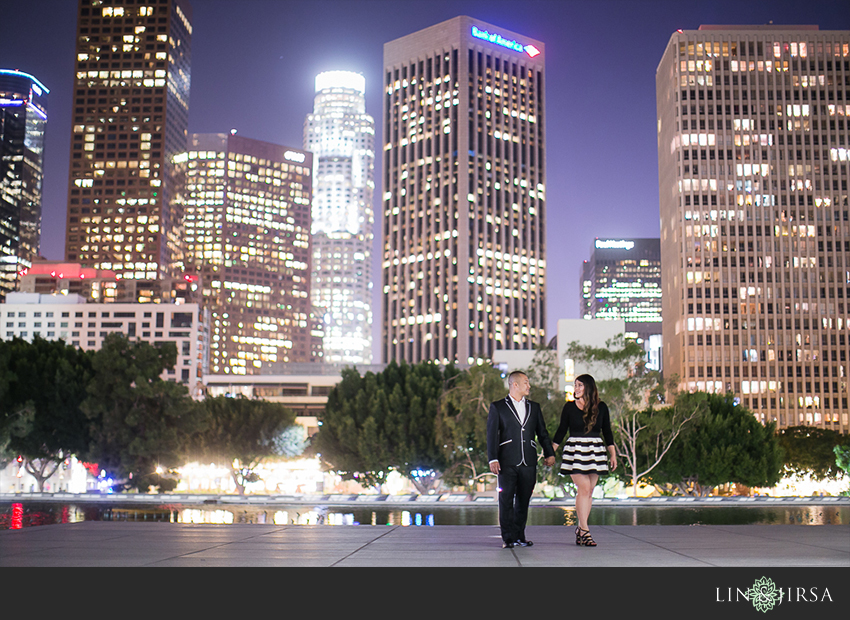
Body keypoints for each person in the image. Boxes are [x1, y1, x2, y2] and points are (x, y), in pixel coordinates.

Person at [487, 370, 556, 549]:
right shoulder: (498, 407)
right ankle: (508, 538)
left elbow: (542, 432)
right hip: (506, 461)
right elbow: (492, 435)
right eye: (526, 382)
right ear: (514, 384)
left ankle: (520, 536)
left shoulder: (535, 407)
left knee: (524, 500)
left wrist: (549, 453)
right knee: (506, 500)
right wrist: (492, 459)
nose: (529, 386)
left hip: (529, 461)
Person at [551, 373, 617, 547]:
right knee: (584, 487)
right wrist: (551, 452)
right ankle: (585, 531)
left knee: (589, 491)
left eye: (580, 385)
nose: (577, 388)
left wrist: (613, 454)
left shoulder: (601, 407)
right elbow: (561, 431)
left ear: (588, 387)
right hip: (575, 450)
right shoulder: (569, 407)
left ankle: (581, 530)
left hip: (595, 450)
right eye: (575, 385)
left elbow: (607, 431)